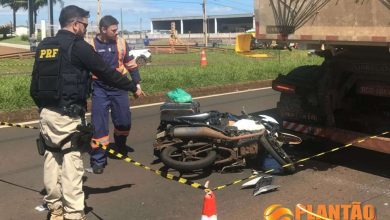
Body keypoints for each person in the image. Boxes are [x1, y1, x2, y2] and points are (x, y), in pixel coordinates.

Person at [30, 5, 142, 220]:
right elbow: (106, 72)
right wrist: (131, 86)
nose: (85, 28)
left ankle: (55, 208)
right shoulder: (78, 46)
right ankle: (73, 214)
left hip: (45, 114)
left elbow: (34, 86)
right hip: (68, 114)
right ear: (75, 24)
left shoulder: (44, 46)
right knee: (72, 164)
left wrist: (44, 107)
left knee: (52, 159)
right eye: (84, 24)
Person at [88, 15, 144, 174]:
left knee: (124, 122)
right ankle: (98, 160)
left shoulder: (121, 43)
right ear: (103, 30)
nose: (116, 33)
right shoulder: (91, 45)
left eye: (117, 29)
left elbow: (131, 65)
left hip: (119, 87)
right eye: (113, 30)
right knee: (99, 126)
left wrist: (137, 84)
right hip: (99, 88)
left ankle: (120, 145)